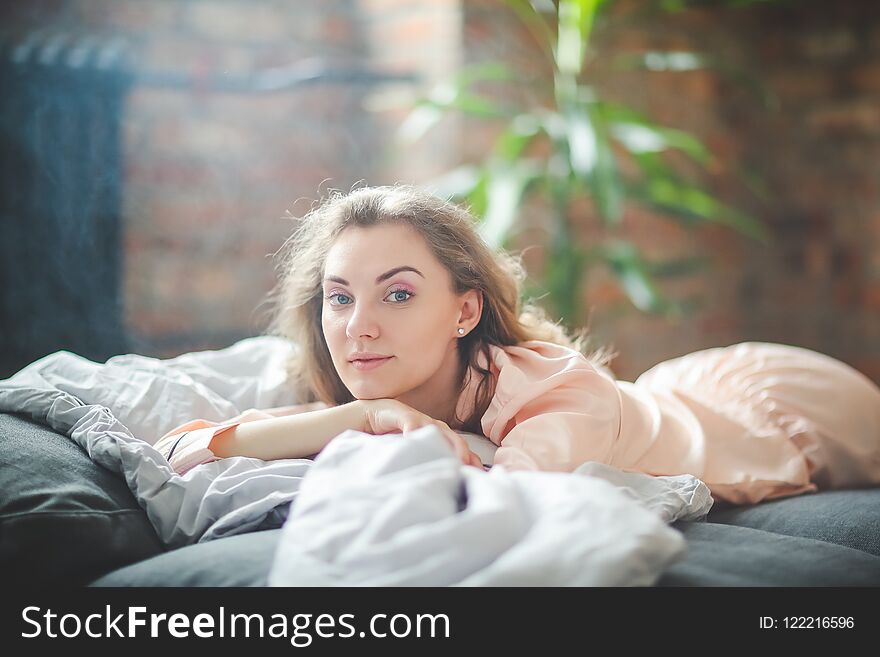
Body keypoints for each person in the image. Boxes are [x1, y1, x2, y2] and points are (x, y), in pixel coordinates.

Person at [154, 185, 880, 506]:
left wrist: (360, 420)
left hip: (779, 405)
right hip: (666, 389)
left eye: (398, 293)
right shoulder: (380, 388)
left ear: (466, 309)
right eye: (340, 297)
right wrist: (355, 414)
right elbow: (185, 450)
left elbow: (494, 505)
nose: (356, 326)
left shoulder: (556, 402)